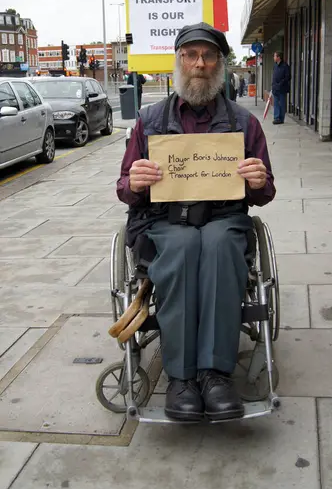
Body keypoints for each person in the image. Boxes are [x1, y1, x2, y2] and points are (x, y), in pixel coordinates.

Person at [117, 22, 276, 423]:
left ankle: (215, 374)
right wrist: (134, 181)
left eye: (208, 56)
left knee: (219, 244)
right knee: (185, 246)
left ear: (220, 64)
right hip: (164, 222)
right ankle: (182, 378)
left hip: (223, 219)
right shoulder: (149, 121)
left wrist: (259, 181)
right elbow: (124, 189)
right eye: (191, 55)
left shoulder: (244, 123)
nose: (199, 64)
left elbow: (264, 191)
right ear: (179, 63)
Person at [272, 52, 291, 125]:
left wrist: (280, 84)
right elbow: (274, 77)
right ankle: (276, 118)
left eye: (274, 56)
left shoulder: (285, 66)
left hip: (282, 89)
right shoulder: (275, 66)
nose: (274, 58)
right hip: (275, 88)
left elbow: (288, 77)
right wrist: (273, 86)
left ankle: (281, 118)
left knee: (282, 104)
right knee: (276, 103)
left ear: (278, 57)